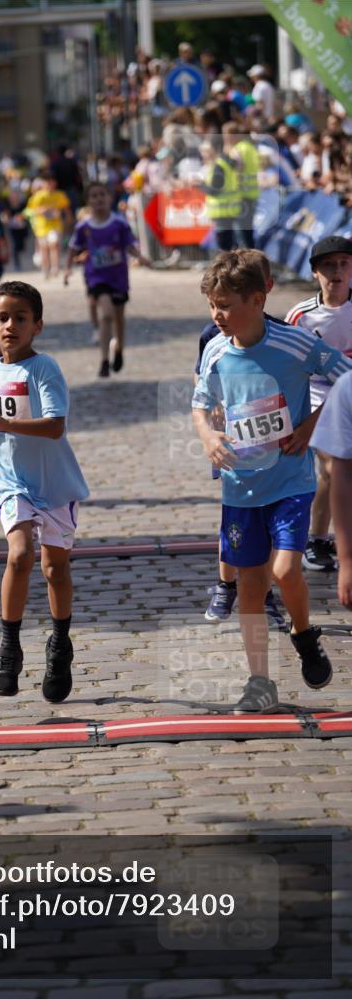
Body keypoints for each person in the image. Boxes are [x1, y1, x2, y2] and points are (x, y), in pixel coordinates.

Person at [192, 250, 352, 714]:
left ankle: (303, 635)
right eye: (212, 305)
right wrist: (208, 437)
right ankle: (260, 681)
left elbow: (345, 379)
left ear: (258, 301)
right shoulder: (216, 349)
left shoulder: (294, 343)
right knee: (250, 586)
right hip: (240, 488)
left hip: (290, 482)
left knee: (284, 571)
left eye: (225, 305)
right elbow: (199, 402)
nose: (217, 315)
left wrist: (312, 425)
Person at [0, 281, 89, 702]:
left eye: (20, 318)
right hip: (9, 479)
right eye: (2, 318)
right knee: (19, 555)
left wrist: (4, 424)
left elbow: (55, 427)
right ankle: (9, 647)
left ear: (37, 325)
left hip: (53, 482)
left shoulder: (44, 368)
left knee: (55, 569)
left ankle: (60, 645)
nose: (11, 326)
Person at [196, 249, 286, 631]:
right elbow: (202, 382)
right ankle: (225, 583)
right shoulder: (213, 334)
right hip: (232, 440)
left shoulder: (280, 332)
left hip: (271, 441)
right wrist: (212, 416)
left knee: (269, 518)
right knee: (234, 514)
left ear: (263, 290)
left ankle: (264, 594)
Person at [285, 236, 352, 570]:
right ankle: (319, 540)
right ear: (314, 272)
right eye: (328, 265)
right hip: (317, 401)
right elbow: (286, 365)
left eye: (344, 264)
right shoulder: (301, 316)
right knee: (332, 468)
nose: (337, 271)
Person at [63, 181, 150, 378]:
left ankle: (119, 349)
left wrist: (141, 257)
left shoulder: (119, 223)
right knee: (106, 313)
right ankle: (103, 360)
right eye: (94, 196)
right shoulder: (84, 226)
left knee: (118, 317)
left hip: (118, 277)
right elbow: (73, 247)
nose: (99, 199)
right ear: (88, 201)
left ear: (109, 198)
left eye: (102, 194)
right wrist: (67, 270)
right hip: (96, 277)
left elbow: (129, 245)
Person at [310, 371, 352, 609]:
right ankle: (317, 538)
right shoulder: (347, 387)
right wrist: (347, 560)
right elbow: (342, 473)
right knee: (328, 471)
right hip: (321, 400)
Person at [25, 175, 72, 279]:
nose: (49, 185)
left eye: (51, 182)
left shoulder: (60, 195)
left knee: (54, 244)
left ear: (55, 183)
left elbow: (66, 209)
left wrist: (68, 220)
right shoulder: (38, 196)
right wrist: (40, 210)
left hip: (55, 225)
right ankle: (45, 268)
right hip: (41, 226)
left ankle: (55, 267)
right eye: (47, 182)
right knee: (44, 247)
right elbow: (28, 211)